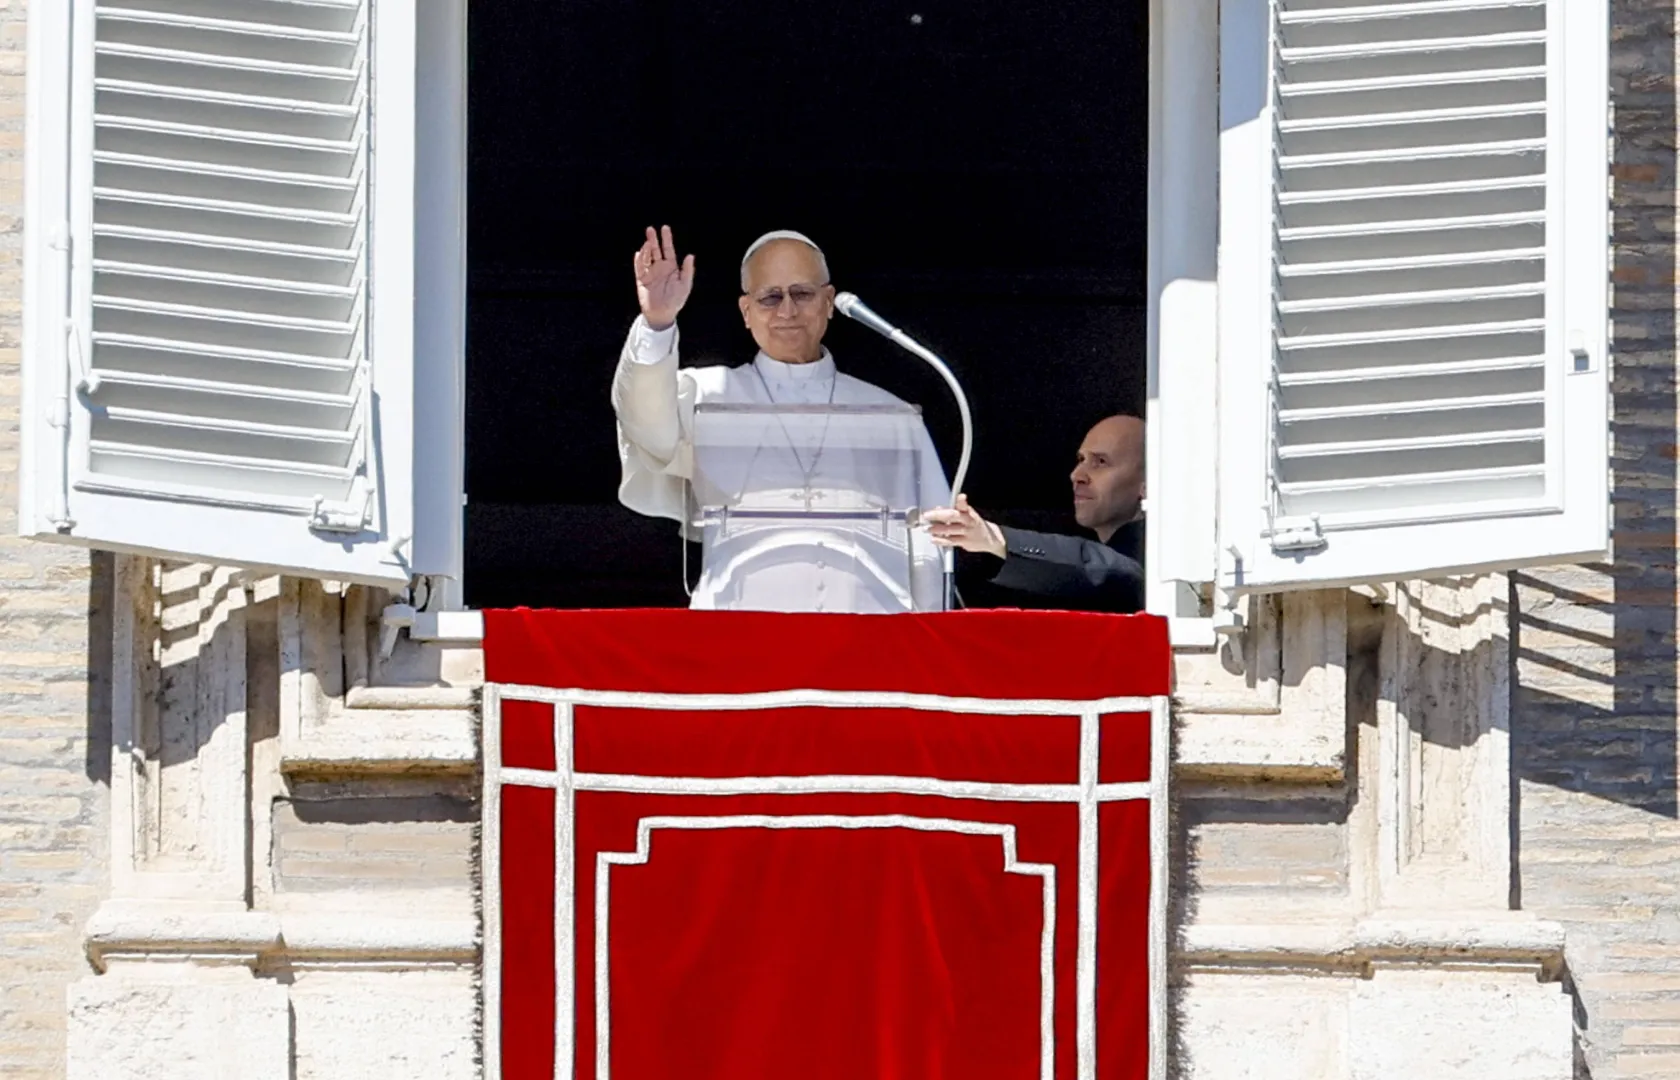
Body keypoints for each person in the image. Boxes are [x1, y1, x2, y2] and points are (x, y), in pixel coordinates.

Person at [612, 225, 950, 613]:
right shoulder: (706, 395)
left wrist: (929, 639)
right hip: (740, 635)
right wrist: (658, 323)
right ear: (746, 312)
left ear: (828, 302)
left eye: (802, 294)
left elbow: (929, 542)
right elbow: (644, 421)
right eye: (770, 297)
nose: (787, 311)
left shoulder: (891, 415)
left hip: (870, 639)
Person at [923, 414, 1145, 613]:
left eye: (1101, 462)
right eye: (1081, 460)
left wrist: (995, 538)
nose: (1076, 475)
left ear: (1147, 483)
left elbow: (1114, 569)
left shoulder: (1155, 559)